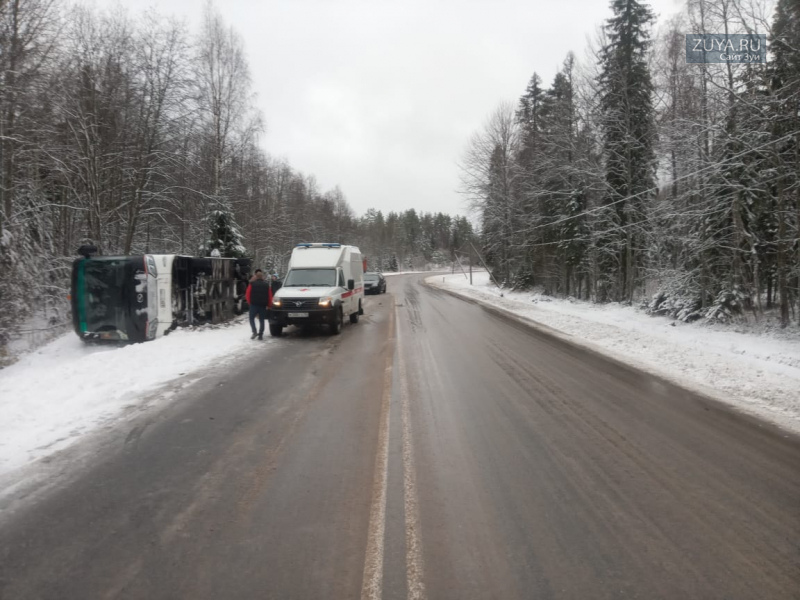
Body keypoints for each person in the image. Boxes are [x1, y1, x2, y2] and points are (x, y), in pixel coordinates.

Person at [245, 269, 272, 340]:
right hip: (263, 305)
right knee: (261, 320)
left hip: (253, 305)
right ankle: (260, 335)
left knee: (251, 318)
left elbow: (247, 294)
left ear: (256, 277)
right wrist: (269, 305)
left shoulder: (252, 284)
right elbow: (269, 296)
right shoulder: (266, 285)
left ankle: (254, 331)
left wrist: (249, 302)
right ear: (262, 277)